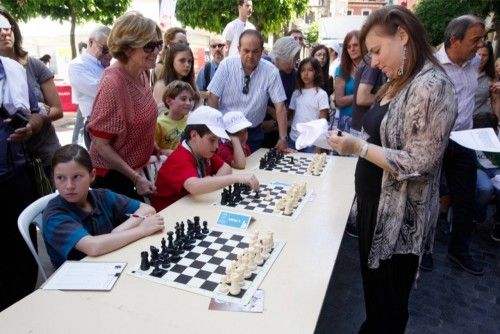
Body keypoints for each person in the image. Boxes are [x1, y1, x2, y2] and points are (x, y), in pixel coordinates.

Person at [327, 6, 457, 333]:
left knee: (389, 307)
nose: (372, 61)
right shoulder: (396, 81)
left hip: (399, 222)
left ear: (402, 35)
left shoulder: (432, 85)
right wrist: (352, 141)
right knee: (375, 300)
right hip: (375, 207)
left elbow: (417, 162)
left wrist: (358, 148)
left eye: (376, 50)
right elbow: (379, 134)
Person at [43, 144, 165, 269]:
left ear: (92, 175)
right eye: (60, 178)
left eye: (77, 177)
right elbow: (93, 247)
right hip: (77, 276)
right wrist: (142, 230)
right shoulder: (54, 215)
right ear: (53, 178)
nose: (69, 186)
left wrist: (117, 232)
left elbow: (147, 209)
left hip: (110, 260)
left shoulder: (102, 196)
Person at [87, 11, 162, 201]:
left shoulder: (142, 73)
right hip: (113, 178)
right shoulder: (113, 83)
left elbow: (137, 118)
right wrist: (136, 178)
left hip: (134, 170)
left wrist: (150, 145)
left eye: (158, 44)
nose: (156, 51)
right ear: (128, 48)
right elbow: (101, 144)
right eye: (149, 46)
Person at [435, 15, 486, 276]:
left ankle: (459, 250)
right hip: (435, 141)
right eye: (475, 40)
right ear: (454, 40)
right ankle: (422, 251)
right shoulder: (432, 65)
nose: (480, 46)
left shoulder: (474, 62)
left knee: (465, 197)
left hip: (465, 140)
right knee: (428, 197)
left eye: (482, 39)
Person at [0, 51, 45, 311]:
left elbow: (37, 113)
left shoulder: (14, 69)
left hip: (17, 176)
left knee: (22, 257)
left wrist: (31, 125)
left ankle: (21, 311)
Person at [150, 106, 259, 211]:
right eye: (212, 140)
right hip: (168, 212)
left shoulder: (203, 151)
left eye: (217, 140)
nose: (216, 146)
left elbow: (226, 168)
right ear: (194, 136)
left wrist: (208, 182)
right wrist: (237, 178)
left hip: (190, 205)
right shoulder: (181, 157)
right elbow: (194, 186)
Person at [0, 8, 63, 177]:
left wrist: (34, 117)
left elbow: (57, 109)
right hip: (11, 164)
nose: (4, 33)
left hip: (44, 156)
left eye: (7, 27)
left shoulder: (33, 65)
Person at [208, 30, 288, 152]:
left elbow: (280, 106)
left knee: (252, 169)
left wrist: (283, 138)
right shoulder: (226, 65)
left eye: (255, 51)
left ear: (262, 51)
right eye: (246, 51)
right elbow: (213, 97)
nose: (250, 55)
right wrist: (216, 131)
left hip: (253, 134)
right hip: (226, 132)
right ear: (239, 49)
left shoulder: (271, 72)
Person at [69, 25, 112, 148]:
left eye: (111, 50)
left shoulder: (108, 65)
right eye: (105, 49)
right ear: (91, 42)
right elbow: (103, 91)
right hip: (95, 124)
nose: (108, 54)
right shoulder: (78, 65)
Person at [262, 36, 301, 148]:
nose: (294, 65)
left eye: (296, 60)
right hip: (258, 128)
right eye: (291, 60)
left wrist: (274, 123)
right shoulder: (263, 66)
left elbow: (287, 110)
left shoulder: (294, 75)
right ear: (279, 57)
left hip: (279, 131)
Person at [289, 57, 330, 152]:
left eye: (310, 70)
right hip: (294, 138)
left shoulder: (321, 94)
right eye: (303, 70)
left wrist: (319, 145)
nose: (306, 74)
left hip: (311, 141)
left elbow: (323, 122)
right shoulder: (296, 93)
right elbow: (294, 116)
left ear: (316, 72)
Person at [472, 112, 500, 241]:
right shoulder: (472, 134)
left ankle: (498, 221)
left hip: (497, 168)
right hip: (479, 168)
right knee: (486, 188)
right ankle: (478, 216)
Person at [153, 43, 197, 114]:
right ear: (171, 62)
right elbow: (163, 115)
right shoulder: (161, 85)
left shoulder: (191, 83)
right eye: (182, 60)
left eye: (190, 61)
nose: (187, 65)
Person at [155, 80, 195, 156]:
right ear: (169, 101)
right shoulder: (159, 123)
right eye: (183, 99)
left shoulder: (191, 120)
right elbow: (153, 150)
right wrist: (164, 152)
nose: (188, 103)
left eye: (190, 99)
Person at [334, 30, 362, 133]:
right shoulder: (341, 69)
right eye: (348, 46)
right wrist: (362, 96)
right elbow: (339, 101)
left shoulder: (372, 68)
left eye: (355, 45)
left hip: (366, 121)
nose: (352, 49)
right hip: (346, 121)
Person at [351, 54, 386, 135]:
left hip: (361, 127)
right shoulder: (371, 61)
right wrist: (389, 100)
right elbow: (362, 98)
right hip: (364, 130)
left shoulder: (368, 58)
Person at [474, 41, 500, 118]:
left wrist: (497, 121)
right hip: (460, 121)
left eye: (484, 55)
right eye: (478, 54)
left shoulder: (491, 74)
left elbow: (495, 100)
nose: (481, 58)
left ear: (489, 57)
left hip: (481, 120)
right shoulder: (463, 71)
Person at [196, 35, 225, 101]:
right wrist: (208, 94)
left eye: (220, 45)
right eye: (213, 46)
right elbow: (196, 93)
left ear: (227, 47)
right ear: (210, 49)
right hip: (211, 109)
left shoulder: (233, 68)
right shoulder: (205, 70)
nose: (217, 49)